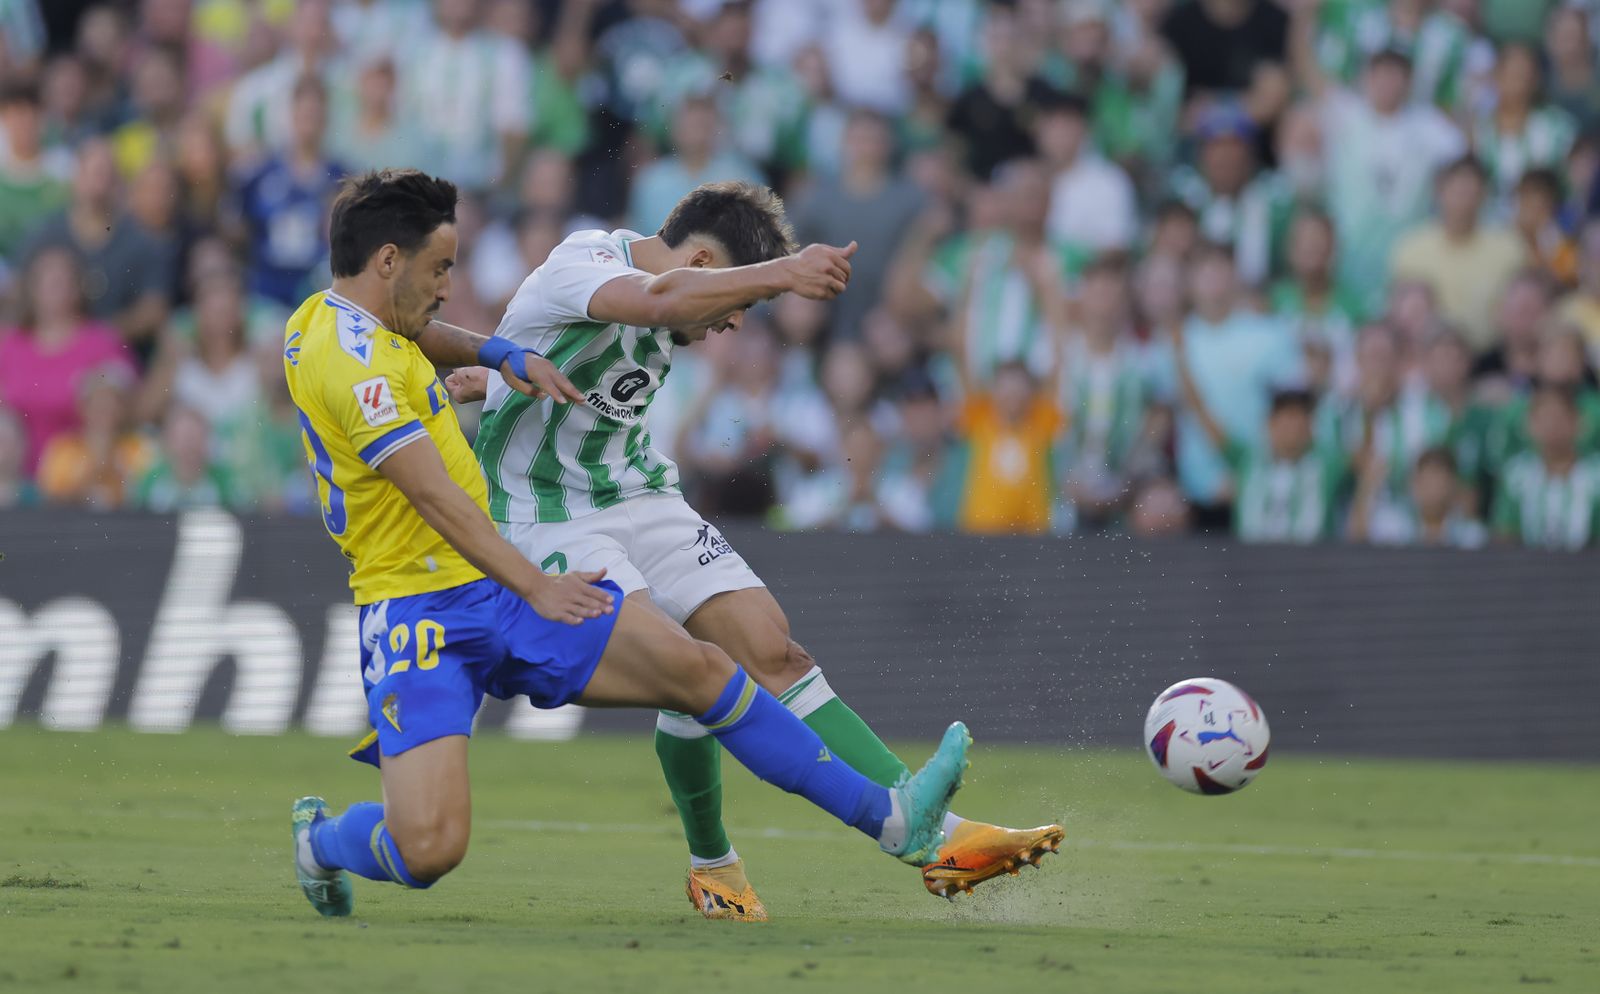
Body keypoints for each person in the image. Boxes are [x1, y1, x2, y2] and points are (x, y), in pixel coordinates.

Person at [285, 169, 973, 920]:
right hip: (423, 606)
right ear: (388, 261)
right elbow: (436, 499)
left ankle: (892, 821)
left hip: (497, 585)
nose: (450, 286)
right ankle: (322, 842)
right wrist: (537, 585)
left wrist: (496, 355)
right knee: (429, 850)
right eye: (440, 268)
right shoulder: (354, 370)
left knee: (702, 670)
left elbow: (416, 332)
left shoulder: (338, 321)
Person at [445, 179, 1061, 919]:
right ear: (704, 262)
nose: (733, 323)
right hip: (550, 520)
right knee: (688, 674)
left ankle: (936, 835)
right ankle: (724, 863)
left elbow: (600, 355)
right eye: (736, 306)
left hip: (640, 496)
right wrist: (781, 274)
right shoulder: (582, 259)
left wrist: (496, 384)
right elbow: (662, 298)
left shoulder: (671, 305)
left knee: (775, 654)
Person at [1173, 312, 1348, 544]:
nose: (1291, 427)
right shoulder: (1247, 459)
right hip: (1253, 573)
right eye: (1284, 418)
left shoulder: (1328, 464)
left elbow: (1367, 458)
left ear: (1310, 426)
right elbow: (1202, 414)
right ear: (1269, 424)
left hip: (1311, 573)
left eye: (1298, 418)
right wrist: (1180, 358)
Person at [1390, 156, 1526, 351]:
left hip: (1491, 357)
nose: (1464, 199)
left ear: (1484, 194)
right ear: (1439, 192)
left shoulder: (1510, 249)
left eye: (1471, 191)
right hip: (1425, 360)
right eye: (1457, 190)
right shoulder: (1410, 249)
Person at [1492, 383, 1600, 550]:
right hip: (1527, 570)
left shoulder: (1596, 473)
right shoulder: (1516, 474)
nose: (1552, 426)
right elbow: (1506, 533)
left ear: (1578, 422)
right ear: (1529, 425)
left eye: (1560, 418)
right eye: (1544, 418)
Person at [1351, 445, 1487, 549]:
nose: (1433, 492)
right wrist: (1367, 486)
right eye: (1426, 483)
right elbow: (1358, 540)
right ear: (1414, 485)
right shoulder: (1394, 526)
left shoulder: (1471, 535)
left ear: (1452, 486)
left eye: (1439, 483)